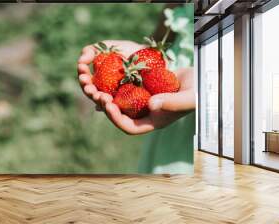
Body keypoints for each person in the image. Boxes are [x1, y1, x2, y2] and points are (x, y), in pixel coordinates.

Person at [77, 40, 196, 174]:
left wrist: (207, 84)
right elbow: (168, 27)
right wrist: (148, 47)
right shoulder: (146, 70)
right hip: (168, 64)